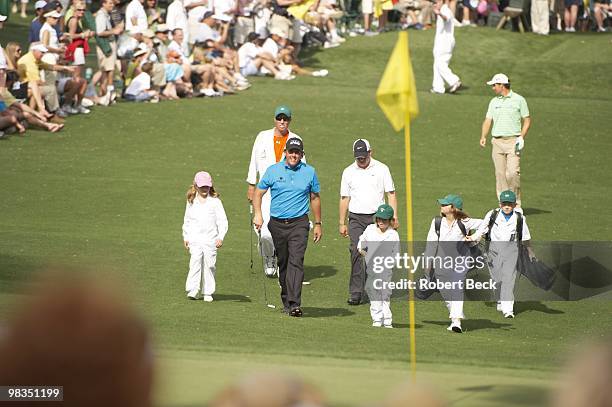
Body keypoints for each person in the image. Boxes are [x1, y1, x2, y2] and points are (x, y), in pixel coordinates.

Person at [252, 137, 322, 317]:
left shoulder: (309, 172)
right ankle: (286, 300)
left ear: (302, 154)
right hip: (277, 224)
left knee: (296, 261)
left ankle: (295, 304)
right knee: (283, 263)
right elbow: (258, 193)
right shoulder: (273, 170)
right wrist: (258, 214)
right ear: (285, 152)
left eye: (297, 152)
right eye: (291, 151)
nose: (294, 155)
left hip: (299, 223)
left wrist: (318, 223)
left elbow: (314, 198)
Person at [339, 138, 397, 306]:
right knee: (357, 252)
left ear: (370, 152)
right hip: (356, 217)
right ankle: (356, 292)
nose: (361, 160)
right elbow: (344, 198)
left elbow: (391, 194)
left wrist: (394, 217)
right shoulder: (348, 172)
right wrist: (342, 222)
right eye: (358, 157)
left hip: (377, 218)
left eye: (364, 156)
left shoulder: (382, 169)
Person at [246, 105, 302, 277]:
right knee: (263, 232)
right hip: (264, 191)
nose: (282, 121)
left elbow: (302, 166)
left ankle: (281, 259)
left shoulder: (295, 139)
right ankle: (269, 256)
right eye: (279, 118)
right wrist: (251, 184)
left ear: (290, 120)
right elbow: (253, 161)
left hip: (286, 192)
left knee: (283, 230)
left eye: (285, 119)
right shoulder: (262, 137)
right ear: (275, 119)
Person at [467, 190, 532, 318]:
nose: (507, 206)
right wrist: (473, 238)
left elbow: (525, 237)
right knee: (497, 279)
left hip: (512, 251)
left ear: (514, 205)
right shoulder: (492, 214)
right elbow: (482, 229)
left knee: (508, 279)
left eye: (510, 204)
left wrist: (530, 251)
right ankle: (499, 299)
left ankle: (508, 310)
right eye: (504, 204)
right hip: (493, 251)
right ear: (500, 204)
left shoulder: (520, 218)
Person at [423, 194, 481, 333]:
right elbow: (431, 244)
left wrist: (474, 237)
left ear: (454, 208)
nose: (441, 206)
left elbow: (487, 223)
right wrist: (427, 264)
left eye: (445, 204)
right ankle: (455, 318)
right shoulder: (436, 222)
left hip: (461, 260)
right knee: (445, 291)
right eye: (442, 204)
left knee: (456, 287)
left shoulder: (465, 222)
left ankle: (456, 322)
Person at [480, 73, 531, 206]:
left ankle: (516, 204)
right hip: (497, 142)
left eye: (494, 85)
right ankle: (503, 204)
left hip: (513, 142)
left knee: (513, 174)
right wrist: (483, 136)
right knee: (500, 175)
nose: (493, 88)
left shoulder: (519, 100)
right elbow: (488, 120)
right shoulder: (494, 101)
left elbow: (527, 120)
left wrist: (521, 137)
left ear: (502, 85)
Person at [182, 171, 228, 302]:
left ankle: (208, 291)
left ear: (210, 186)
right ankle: (193, 289)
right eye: (202, 187)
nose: (204, 189)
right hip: (195, 239)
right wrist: (186, 236)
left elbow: (222, 221)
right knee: (195, 262)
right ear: (196, 186)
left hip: (210, 239)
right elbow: (187, 220)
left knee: (210, 265)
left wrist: (220, 237)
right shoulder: (191, 200)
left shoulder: (215, 202)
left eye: (206, 186)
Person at [358, 203, 399, 328]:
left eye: (384, 220)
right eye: (379, 219)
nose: (381, 222)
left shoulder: (393, 235)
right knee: (372, 291)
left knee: (384, 294)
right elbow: (362, 241)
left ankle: (387, 320)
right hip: (371, 268)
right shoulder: (370, 229)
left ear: (390, 221)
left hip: (385, 270)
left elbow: (396, 254)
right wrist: (362, 250)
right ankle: (377, 319)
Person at [431, 0, 461, 94]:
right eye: (433, 3)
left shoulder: (445, 10)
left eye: (436, 2)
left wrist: (439, 13)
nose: (434, 5)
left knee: (440, 64)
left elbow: (446, 18)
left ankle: (454, 81)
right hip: (441, 41)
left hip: (445, 42)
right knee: (437, 64)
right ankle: (438, 88)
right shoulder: (443, 9)